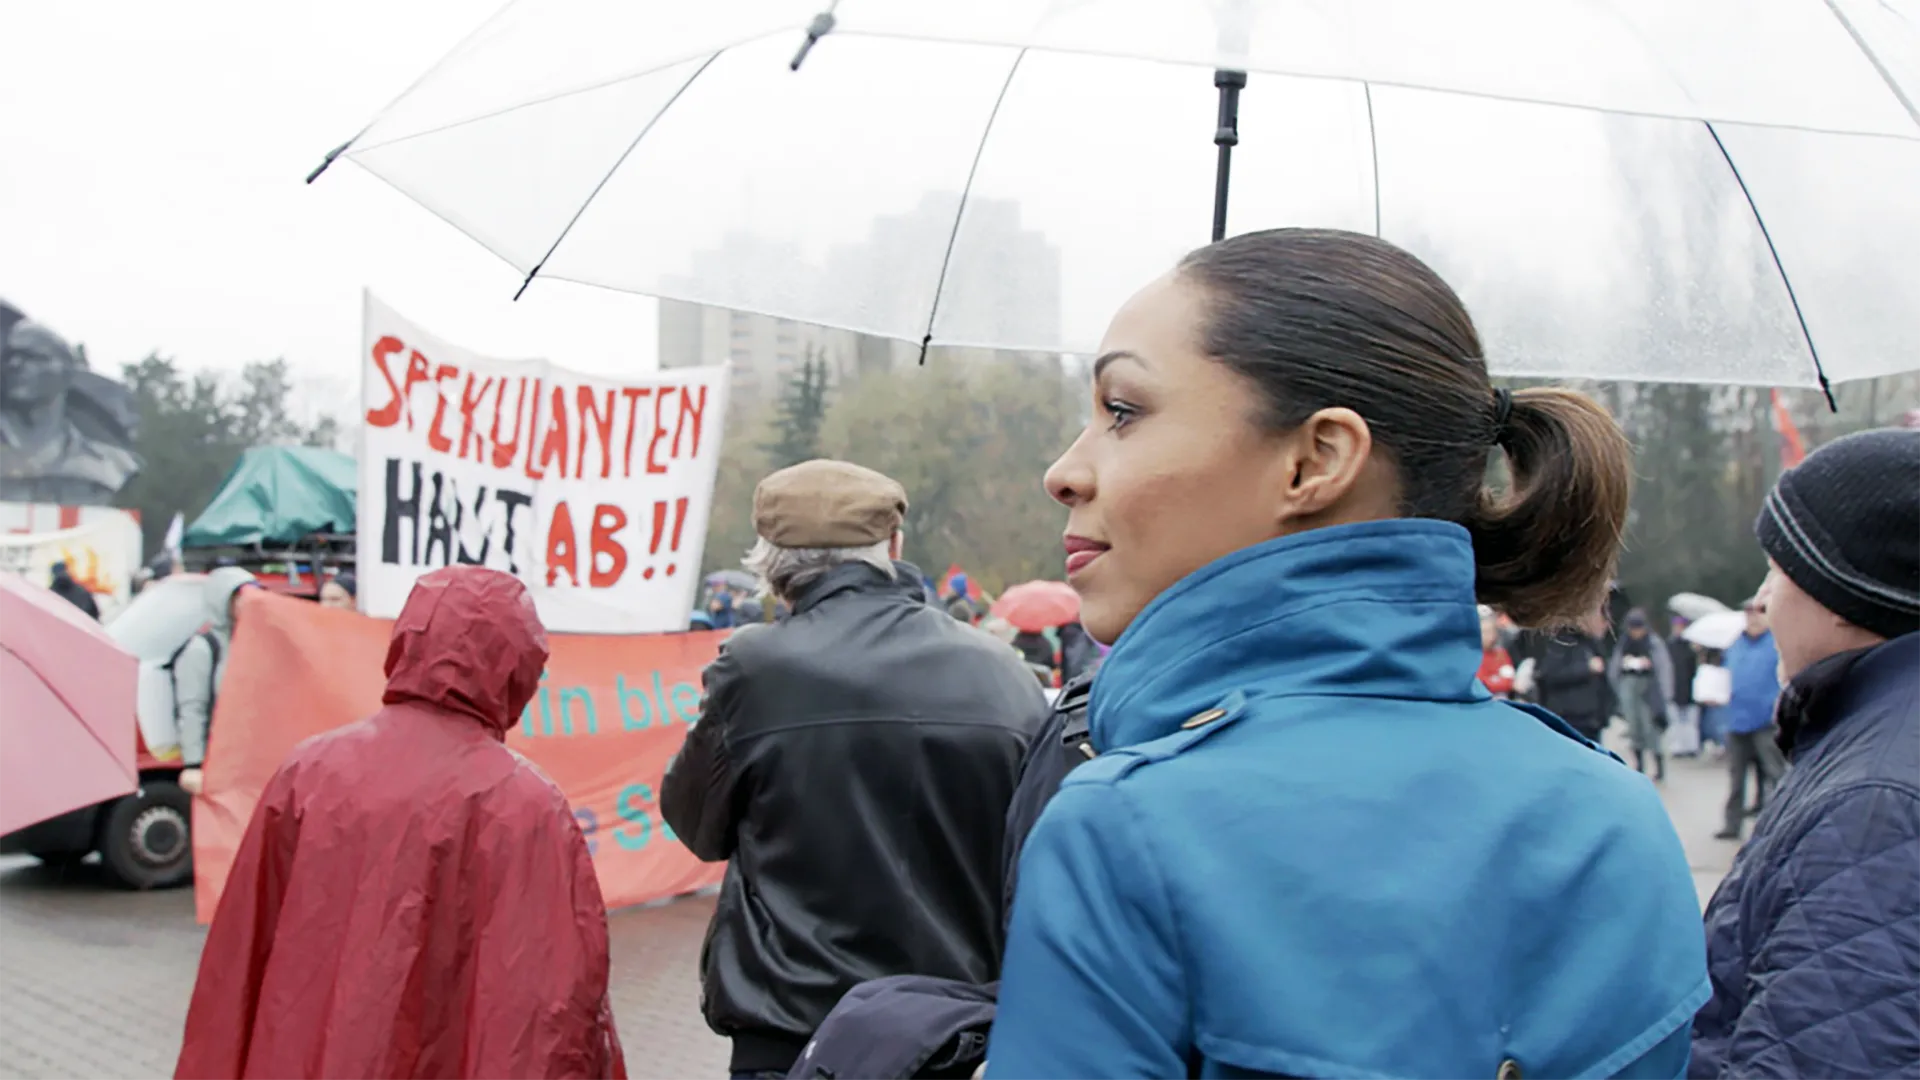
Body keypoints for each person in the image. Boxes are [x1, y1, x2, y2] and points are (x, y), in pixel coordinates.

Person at [986, 229, 1705, 1078]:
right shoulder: (1615, 815)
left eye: (1124, 411)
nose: (1065, 472)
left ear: (1317, 460)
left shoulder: (1125, 826)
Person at [660, 459, 1049, 1080]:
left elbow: (696, 826)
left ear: (771, 563)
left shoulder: (756, 667)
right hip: (950, 1034)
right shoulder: (1003, 669)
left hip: (793, 1027)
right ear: (893, 548)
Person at [174, 566, 626, 1080]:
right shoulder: (529, 805)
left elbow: (237, 964)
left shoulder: (308, 771)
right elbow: (555, 1009)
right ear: (515, 665)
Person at [1692, 429, 1920, 1078]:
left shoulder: (1877, 802)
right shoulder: (1878, 747)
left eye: (1779, 569)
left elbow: (1832, 1053)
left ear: (1848, 597)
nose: (1762, 597)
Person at [0, 320, 140, 504]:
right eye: (10, 357)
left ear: (66, 371)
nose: (15, 365)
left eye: (32, 357)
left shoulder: (114, 463)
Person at [174, 567, 256, 797]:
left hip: (249, 757)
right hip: (217, 759)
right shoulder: (203, 648)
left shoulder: (254, 641)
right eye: (239, 597)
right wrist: (194, 764)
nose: (247, 603)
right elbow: (192, 708)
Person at [1714, 596, 1786, 840]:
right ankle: (1731, 824)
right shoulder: (1735, 644)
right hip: (1737, 720)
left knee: (1774, 775)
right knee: (1736, 778)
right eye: (1749, 612)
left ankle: (1776, 825)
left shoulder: (1777, 644)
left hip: (1766, 722)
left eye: (1759, 612)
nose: (1754, 617)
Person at [1529, 608, 1616, 743]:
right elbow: (1549, 674)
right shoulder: (1562, 642)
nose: (1604, 627)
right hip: (1570, 719)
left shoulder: (1592, 644)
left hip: (1592, 721)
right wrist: (1585, 668)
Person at [1608, 609, 1674, 780]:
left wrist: (1665, 694)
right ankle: (1639, 765)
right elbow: (1614, 669)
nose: (1636, 632)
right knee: (1634, 729)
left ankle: (1659, 766)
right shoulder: (1624, 643)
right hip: (1629, 687)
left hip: (1649, 688)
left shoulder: (1653, 643)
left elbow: (1664, 668)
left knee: (1651, 728)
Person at [1476, 604, 1515, 697]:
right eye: (1484, 632)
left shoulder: (1501, 654)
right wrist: (1495, 679)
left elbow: (1509, 681)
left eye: (1491, 631)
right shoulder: (1472, 656)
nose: (1489, 637)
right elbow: (1479, 682)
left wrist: (1491, 681)